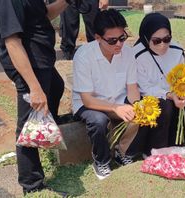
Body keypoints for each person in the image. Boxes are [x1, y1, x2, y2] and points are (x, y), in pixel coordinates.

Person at [0, 0, 68, 195]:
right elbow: (12, 42)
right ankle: (32, 185)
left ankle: (46, 132)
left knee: (56, 87)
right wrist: (34, 87)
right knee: (28, 127)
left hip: (41, 60)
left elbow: (44, 15)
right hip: (30, 68)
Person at [72, 9, 140, 179]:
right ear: (97, 38)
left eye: (122, 38)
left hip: (117, 99)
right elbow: (87, 100)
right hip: (89, 103)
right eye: (112, 40)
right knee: (98, 120)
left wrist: (137, 106)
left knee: (141, 112)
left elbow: (132, 88)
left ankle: (122, 152)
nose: (119, 44)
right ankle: (101, 161)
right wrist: (116, 108)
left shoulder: (129, 53)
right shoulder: (83, 56)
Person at [127, 13, 185, 158]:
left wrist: (182, 93)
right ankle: (153, 151)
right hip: (149, 96)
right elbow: (144, 87)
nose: (163, 45)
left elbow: (182, 78)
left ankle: (176, 147)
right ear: (145, 38)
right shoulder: (137, 55)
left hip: (172, 93)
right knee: (164, 107)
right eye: (156, 41)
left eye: (167, 39)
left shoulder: (177, 50)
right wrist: (169, 95)